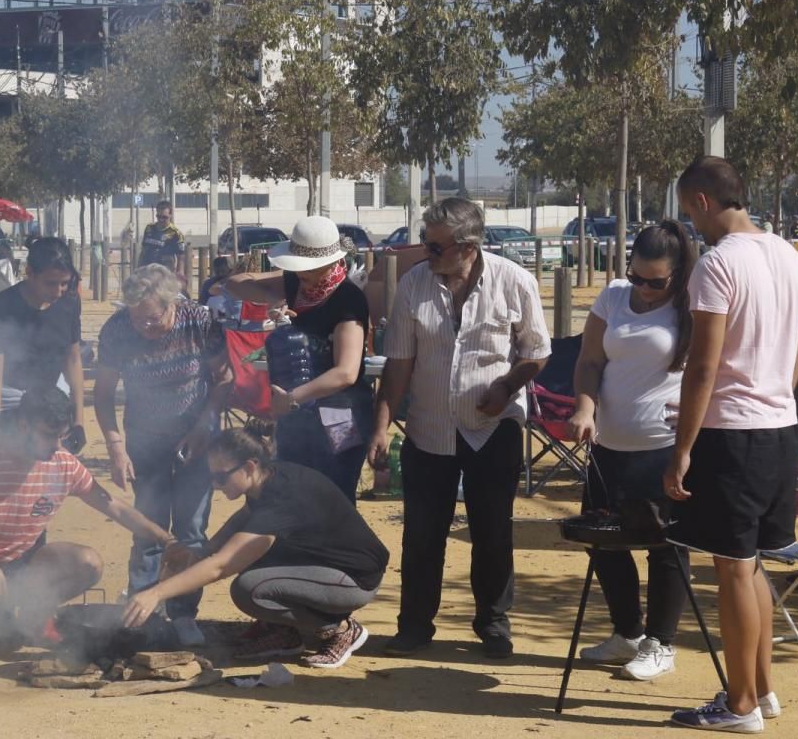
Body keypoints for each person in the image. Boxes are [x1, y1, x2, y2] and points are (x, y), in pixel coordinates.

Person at [368, 198, 551, 659]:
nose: (427, 254)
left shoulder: (515, 282)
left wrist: (509, 385)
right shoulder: (413, 285)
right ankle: (413, 626)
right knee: (422, 534)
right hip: (428, 429)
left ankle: (493, 624)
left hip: (494, 429)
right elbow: (399, 364)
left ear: (467, 247)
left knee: (492, 532)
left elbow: (536, 351)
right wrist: (381, 425)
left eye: (435, 246)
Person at [665, 156, 798, 733]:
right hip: (779, 426)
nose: (690, 225)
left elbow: (703, 367)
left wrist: (681, 449)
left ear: (701, 200)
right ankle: (761, 690)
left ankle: (741, 703)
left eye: (687, 212)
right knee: (751, 568)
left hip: (732, 433)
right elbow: (797, 353)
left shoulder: (717, 264)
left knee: (732, 569)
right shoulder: (788, 255)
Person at [0, 387, 180, 657]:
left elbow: (116, 508)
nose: (56, 445)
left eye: (62, 436)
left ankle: (35, 615)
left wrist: (166, 540)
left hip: (26, 571)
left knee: (88, 562)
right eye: (48, 435)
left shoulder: (64, 463)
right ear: (23, 425)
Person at [122, 422, 389, 669]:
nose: (215, 485)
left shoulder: (282, 499)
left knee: (251, 589)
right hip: (323, 566)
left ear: (249, 467)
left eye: (221, 477)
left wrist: (155, 593)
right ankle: (285, 634)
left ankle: (340, 629)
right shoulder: (267, 479)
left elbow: (220, 567)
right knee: (254, 560)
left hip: (355, 578)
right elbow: (245, 517)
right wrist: (207, 548)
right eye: (210, 478)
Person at [567, 221, 698, 681]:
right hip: (607, 446)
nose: (642, 288)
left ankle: (662, 644)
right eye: (636, 276)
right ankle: (628, 633)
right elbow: (589, 360)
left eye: (655, 281)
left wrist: (700, 411)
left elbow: (716, 369)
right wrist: (585, 407)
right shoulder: (614, 297)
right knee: (602, 541)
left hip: (662, 448)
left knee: (665, 547)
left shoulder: (693, 307)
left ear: (678, 275)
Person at [94, 264, 233, 646]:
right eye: (138, 319)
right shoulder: (117, 330)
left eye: (153, 318)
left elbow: (223, 380)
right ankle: (142, 608)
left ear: (171, 304)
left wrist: (204, 425)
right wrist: (115, 446)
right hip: (144, 438)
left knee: (190, 528)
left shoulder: (200, 321)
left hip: (198, 436)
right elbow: (103, 394)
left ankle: (183, 613)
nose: (145, 327)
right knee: (148, 527)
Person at [219, 216, 373, 502]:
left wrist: (292, 397)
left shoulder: (348, 299)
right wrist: (274, 293)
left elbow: (346, 373)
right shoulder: (294, 283)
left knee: (335, 495)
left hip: (340, 413)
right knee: (293, 493)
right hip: (297, 414)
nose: (300, 272)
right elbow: (236, 284)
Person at [0, 237, 85, 451]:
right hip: (10, 398)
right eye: (51, 283)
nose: (58, 291)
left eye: (64, 283)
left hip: (53, 398)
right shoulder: (1, 307)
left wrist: (79, 421)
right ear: (30, 273)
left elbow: (73, 362)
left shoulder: (69, 303)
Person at [137, 200, 186, 275]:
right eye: (158, 216)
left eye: (164, 217)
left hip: (164, 273)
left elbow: (181, 256)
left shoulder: (175, 233)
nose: (161, 220)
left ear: (170, 215)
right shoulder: (149, 228)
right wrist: (138, 267)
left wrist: (180, 272)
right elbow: (143, 249)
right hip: (147, 270)